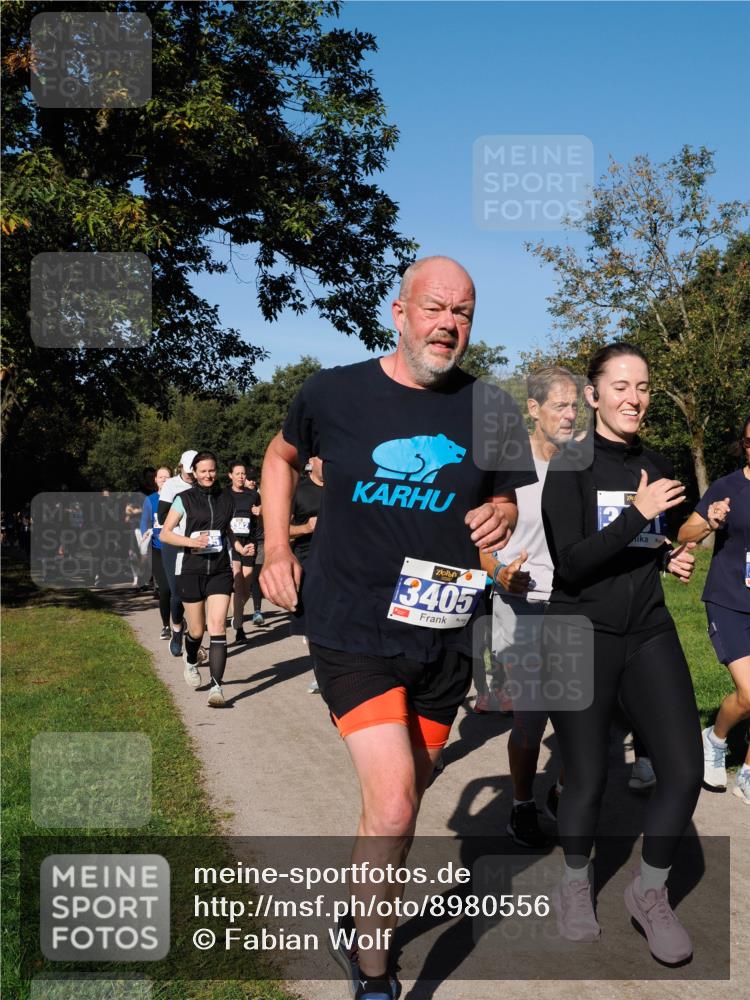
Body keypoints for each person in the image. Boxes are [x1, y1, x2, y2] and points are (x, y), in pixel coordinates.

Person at [260, 256, 536, 1000]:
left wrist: (500, 513)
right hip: (352, 625)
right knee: (392, 804)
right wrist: (278, 546)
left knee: (406, 796)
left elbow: (506, 499)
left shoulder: (492, 407)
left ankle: (360, 911)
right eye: (435, 308)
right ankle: (375, 974)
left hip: (445, 633)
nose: (449, 324)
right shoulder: (332, 391)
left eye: (463, 313)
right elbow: (280, 458)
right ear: (400, 312)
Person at [541, 341, 703, 965]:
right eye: (621, 386)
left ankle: (649, 891)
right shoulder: (570, 466)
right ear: (593, 395)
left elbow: (646, 544)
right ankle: (575, 882)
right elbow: (572, 563)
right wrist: (637, 514)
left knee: (683, 768)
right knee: (587, 776)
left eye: (643, 387)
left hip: (647, 630)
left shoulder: (658, 464)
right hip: (578, 631)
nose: (634, 398)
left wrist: (670, 555)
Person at [480, 365, 579, 848]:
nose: (570, 414)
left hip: (574, 603)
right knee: (531, 718)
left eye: (575, 405)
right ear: (534, 409)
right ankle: (522, 805)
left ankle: (559, 792)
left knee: (581, 717)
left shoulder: (582, 465)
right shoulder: (506, 465)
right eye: (560, 405)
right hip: (520, 604)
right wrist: (500, 573)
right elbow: (480, 543)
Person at [678, 414, 750, 804]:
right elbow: (684, 533)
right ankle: (716, 739)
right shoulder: (727, 487)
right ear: (744, 445)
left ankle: (748, 772)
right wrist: (710, 520)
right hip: (729, 600)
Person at [159, 451, 235, 707]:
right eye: (203, 471)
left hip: (220, 570)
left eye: (211, 470)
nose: (208, 475)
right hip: (191, 569)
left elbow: (230, 529)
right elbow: (165, 534)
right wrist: (192, 542)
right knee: (196, 630)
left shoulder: (226, 498)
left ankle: (216, 687)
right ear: (194, 472)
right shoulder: (184, 499)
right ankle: (191, 660)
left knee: (218, 627)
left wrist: (239, 548)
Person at [289, 458, 325, 692]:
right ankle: (321, 673)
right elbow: (281, 530)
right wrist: (307, 528)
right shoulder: (298, 491)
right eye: (322, 457)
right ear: (312, 460)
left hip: (341, 560)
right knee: (315, 622)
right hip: (308, 561)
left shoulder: (343, 486)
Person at [158, 450, 197, 656]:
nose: (191, 475)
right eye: (188, 471)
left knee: (195, 592)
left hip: (196, 544)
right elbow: (162, 516)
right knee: (176, 592)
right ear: (180, 467)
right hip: (173, 543)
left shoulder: (204, 484)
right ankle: (176, 630)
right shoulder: (171, 485)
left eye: (194, 471)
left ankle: (195, 634)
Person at [225, 461, 260, 643]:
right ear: (230, 475)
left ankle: (235, 612)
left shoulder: (253, 495)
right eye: (237, 473)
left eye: (243, 473)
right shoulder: (224, 494)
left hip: (249, 543)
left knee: (246, 589)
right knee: (238, 583)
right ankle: (239, 628)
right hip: (231, 543)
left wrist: (260, 511)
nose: (241, 476)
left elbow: (260, 519)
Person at [140, 466, 173, 639]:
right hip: (158, 549)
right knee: (165, 589)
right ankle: (166, 626)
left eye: (167, 477)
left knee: (177, 589)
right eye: (161, 477)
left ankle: (179, 620)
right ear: (155, 480)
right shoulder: (150, 500)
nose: (164, 480)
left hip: (175, 548)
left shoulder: (177, 499)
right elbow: (144, 523)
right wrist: (145, 536)